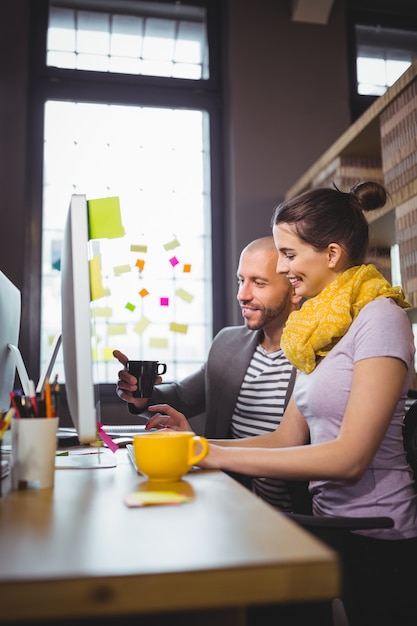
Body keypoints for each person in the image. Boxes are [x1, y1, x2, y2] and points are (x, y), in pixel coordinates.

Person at [145, 182, 417, 626]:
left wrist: (209, 453)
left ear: (330, 255)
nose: (283, 264)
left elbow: (350, 459)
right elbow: (286, 438)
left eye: (289, 254)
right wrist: (192, 445)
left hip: (378, 535)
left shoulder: (381, 319)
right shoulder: (317, 329)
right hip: (330, 528)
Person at [114, 236, 304, 512]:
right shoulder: (228, 343)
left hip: (291, 516)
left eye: (258, 283)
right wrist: (140, 396)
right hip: (227, 501)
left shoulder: (317, 356)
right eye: (241, 280)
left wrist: (198, 446)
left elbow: (295, 447)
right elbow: (182, 397)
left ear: (294, 290)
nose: (243, 294)